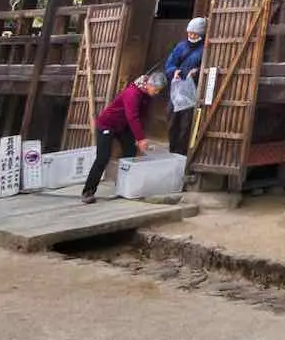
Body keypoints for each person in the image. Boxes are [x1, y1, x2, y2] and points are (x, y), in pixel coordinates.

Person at [84, 70, 166, 203]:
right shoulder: (132, 93)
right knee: (103, 157)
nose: (157, 93)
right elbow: (132, 117)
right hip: (107, 124)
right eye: (156, 90)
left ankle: (124, 188)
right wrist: (140, 138)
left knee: (130, 153)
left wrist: (137, 137)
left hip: (124, 126)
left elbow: (141, 117)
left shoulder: (146, 95)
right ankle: (88, 191)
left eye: (159, 91)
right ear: (149, 85)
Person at [164, 17, 206, 155]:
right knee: (172, 119)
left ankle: (182, 153)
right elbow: (170, 64)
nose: (192, 36)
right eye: (190, 33)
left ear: (201, 34)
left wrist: (197, 72)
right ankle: (172, 149)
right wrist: (173, 71)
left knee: (186, 124)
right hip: (177, 89)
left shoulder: (205, 48)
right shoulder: (181, 46)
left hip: (192, 90)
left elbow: (206, 66)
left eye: (195, 34)